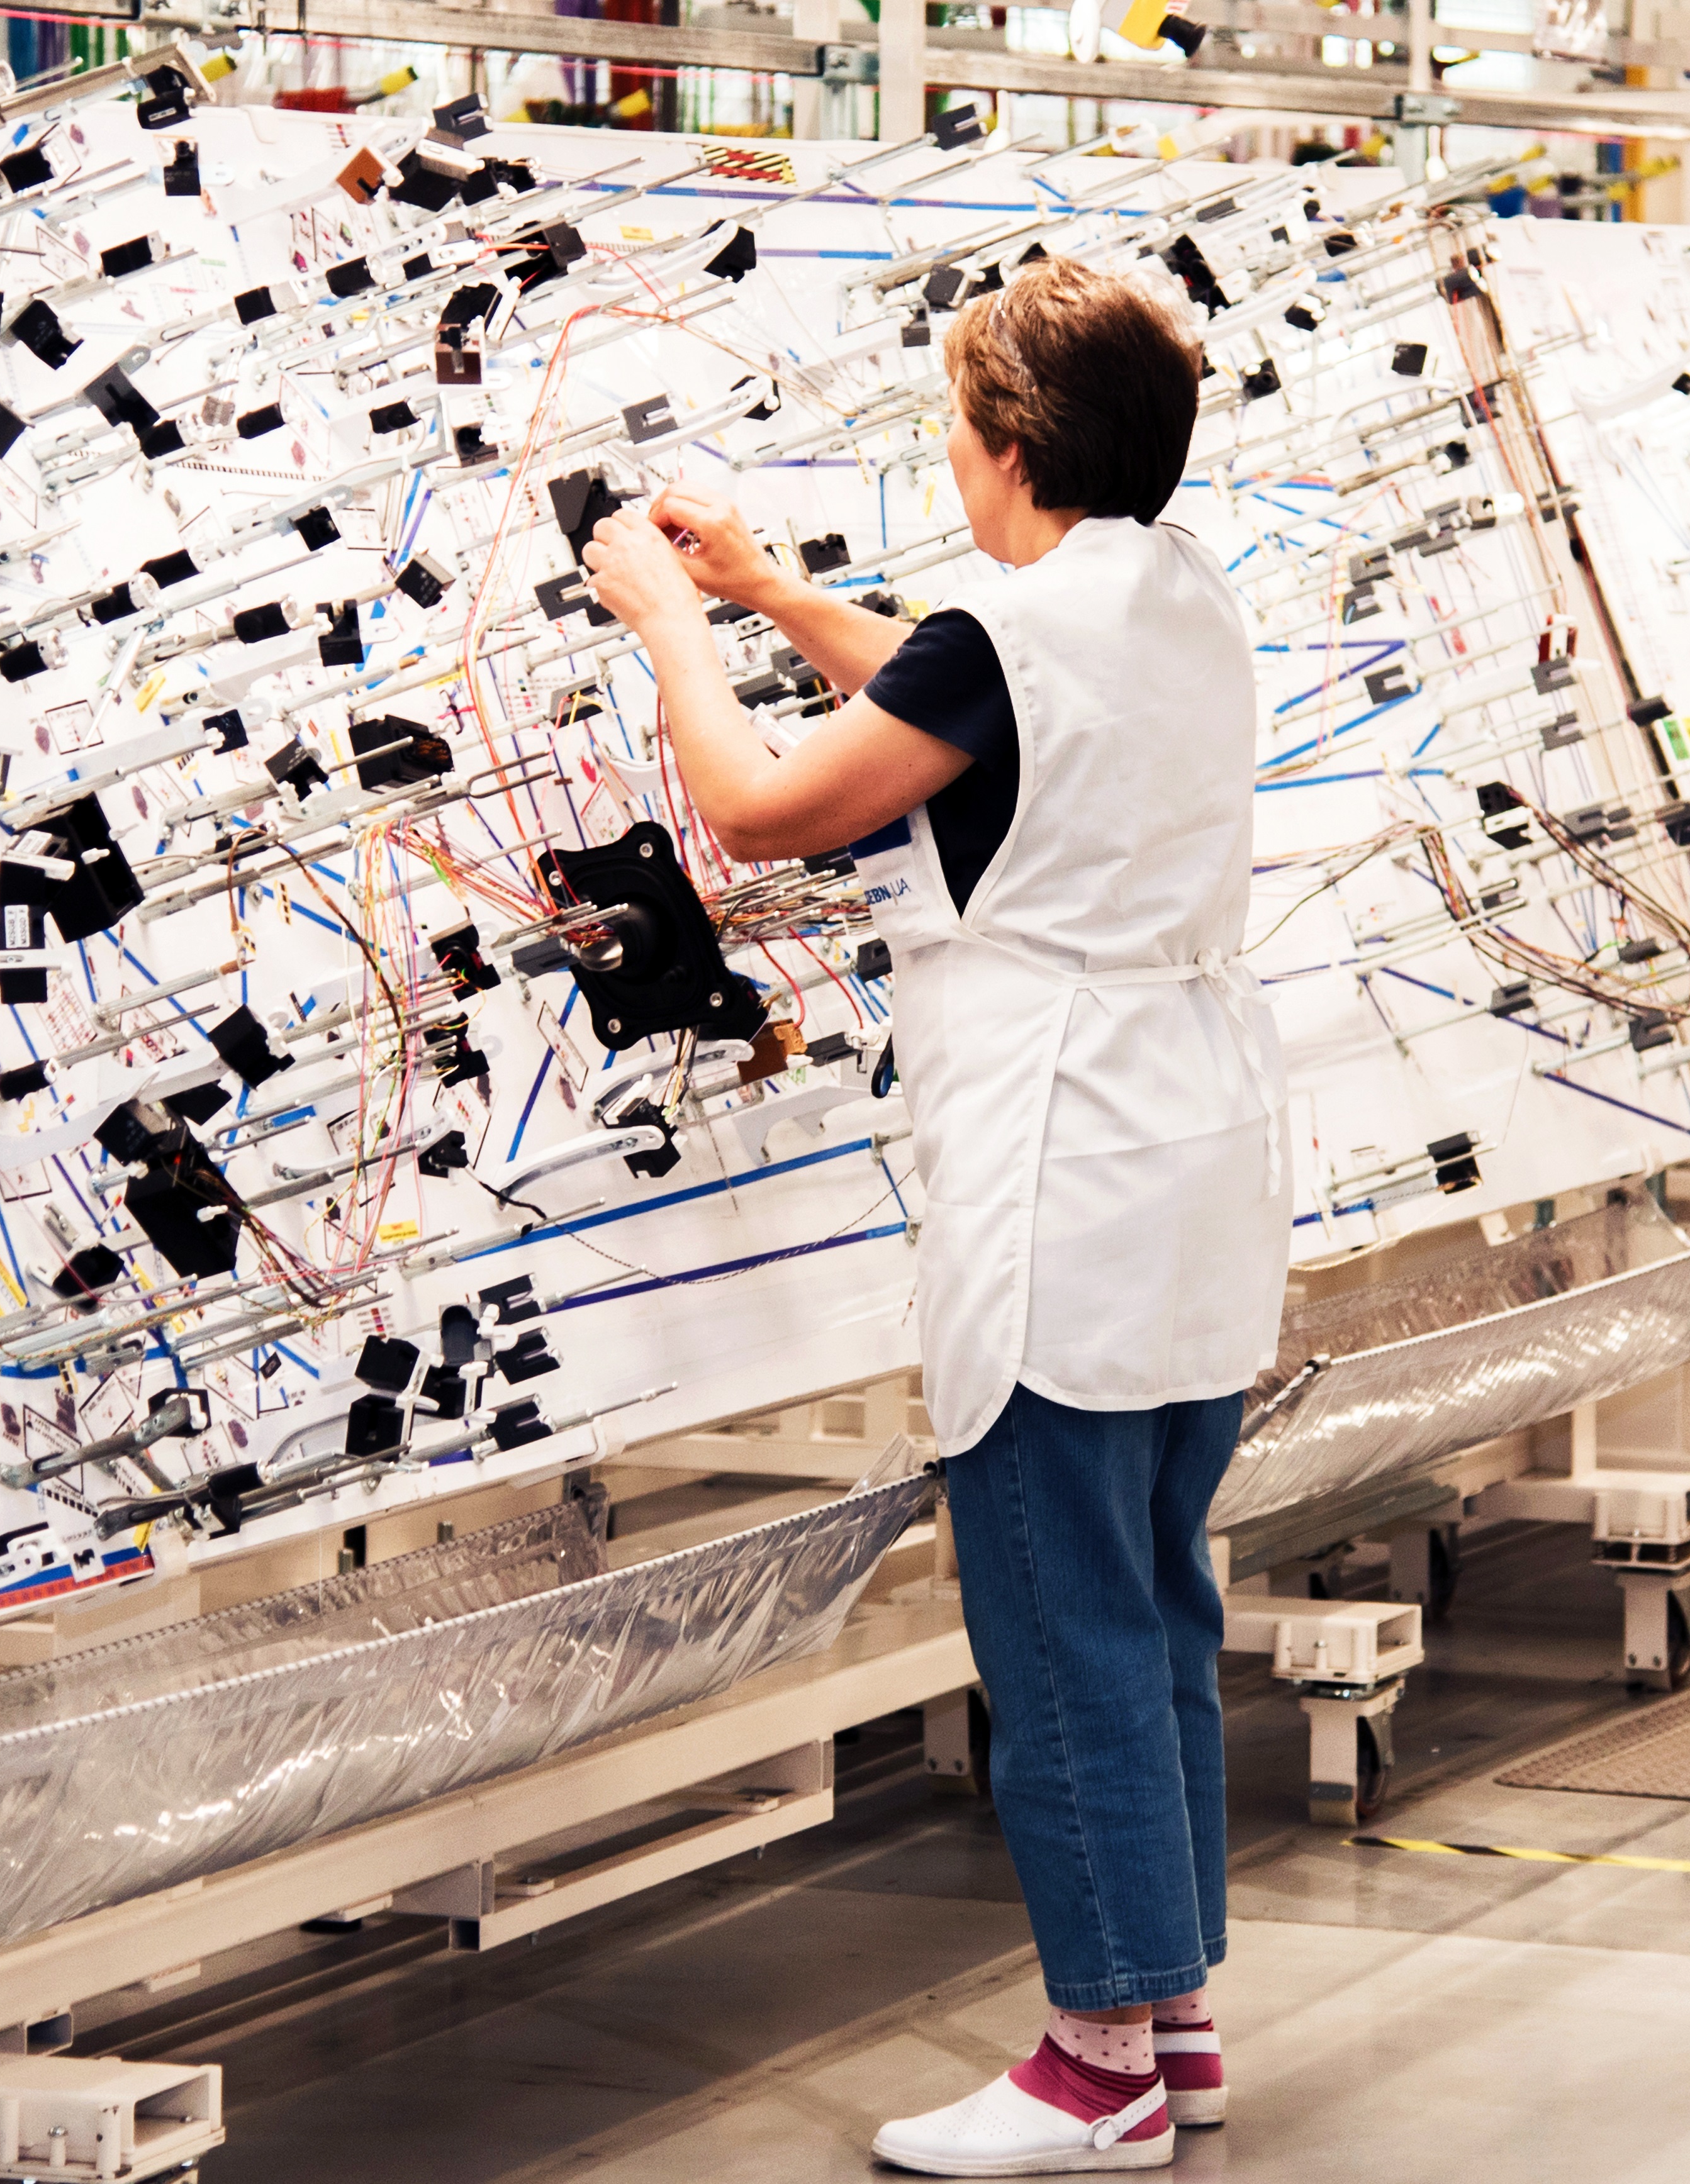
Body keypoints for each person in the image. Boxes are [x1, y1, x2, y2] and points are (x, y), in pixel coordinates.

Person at [585, 254, 1286, 2177]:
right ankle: (1175, 2012)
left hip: (1063, 1182)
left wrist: (670, 626)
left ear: (1005, 451)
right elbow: (978, 702)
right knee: (1151, 1602)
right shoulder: (1168, 595)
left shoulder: (1006, 628)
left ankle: (1098, 2068)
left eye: (957, 434)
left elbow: (759, 809)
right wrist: (778, 593)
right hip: (1195, 1168)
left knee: (1058, 1625)